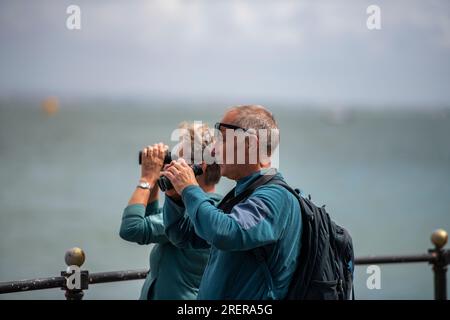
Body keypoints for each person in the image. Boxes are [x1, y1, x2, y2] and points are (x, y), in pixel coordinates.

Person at [162, 105, 302, 300]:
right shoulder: (242, 195)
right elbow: (182, 235)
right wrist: (175, 198)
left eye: (222, 139)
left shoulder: (275, 197)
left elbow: (227, 233)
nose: (212, 148)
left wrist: (189, 188)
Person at [119, 122, 222, 300]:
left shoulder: (194, 213)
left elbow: (132, 228)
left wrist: (147, 178)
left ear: (199, 167)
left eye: (177, 161)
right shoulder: (209, 207)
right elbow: (152, 219)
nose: (171, 165)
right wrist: (157, 180)